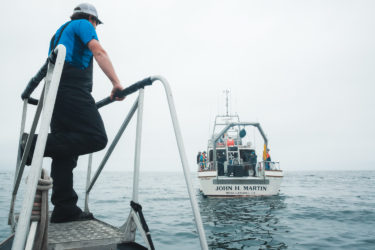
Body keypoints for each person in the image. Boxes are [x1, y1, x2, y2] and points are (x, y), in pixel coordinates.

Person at [23, 3, 124, 223]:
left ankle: (64, 208)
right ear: (91, 19)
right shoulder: (82, 24)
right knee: (96, 137)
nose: (96, 27)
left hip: (55, 94)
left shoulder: (58, 33)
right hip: (71, 89)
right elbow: (98, 51)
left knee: (65, 152)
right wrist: (116, 83)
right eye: (96, 23)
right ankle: (32, 144)